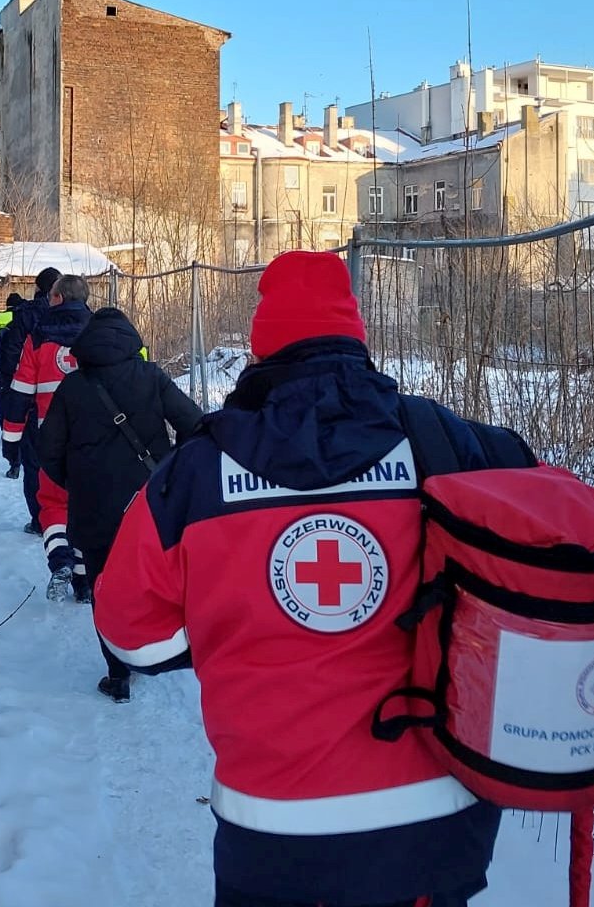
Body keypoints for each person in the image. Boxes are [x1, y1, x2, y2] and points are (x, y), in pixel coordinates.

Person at [94, 250, 529, 907]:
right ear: (356, 338)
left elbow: (131, 635)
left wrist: (224, 635)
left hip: (276, 834)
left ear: (261, 348)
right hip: (440, 825)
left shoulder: (196, 474)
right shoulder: (449, 445)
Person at [40, 307, 202, 702]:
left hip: (94, 505)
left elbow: (48, 451)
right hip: (151, 503)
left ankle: (117, 672)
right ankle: (158, 650)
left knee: (103, 586)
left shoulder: (72, 387)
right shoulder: (152, 377)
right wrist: (173, 471)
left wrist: (76, 482)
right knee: (157, 579)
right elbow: (195, 424)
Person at [1, 274, 92, 581]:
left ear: (58, 299)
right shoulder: (99, 334)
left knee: (53, 502)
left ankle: (60, 558)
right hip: (94, 437)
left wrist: (11, 442)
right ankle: (83, 578)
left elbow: (20, 393)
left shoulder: (38, 337)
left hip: (49, 438)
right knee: (86, 502)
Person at [0, 267, 61, 530]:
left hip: (32, 399)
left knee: (34, 463)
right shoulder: (78, 316)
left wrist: (10, 385)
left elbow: (9, 356)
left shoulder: (25, 315)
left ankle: (39, 520)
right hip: (71, 401)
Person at [0, 292, 28, 477]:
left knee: (5, 408)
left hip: (4, 371)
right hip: (25, 371)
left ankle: (8, 437)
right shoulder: (29, 319)